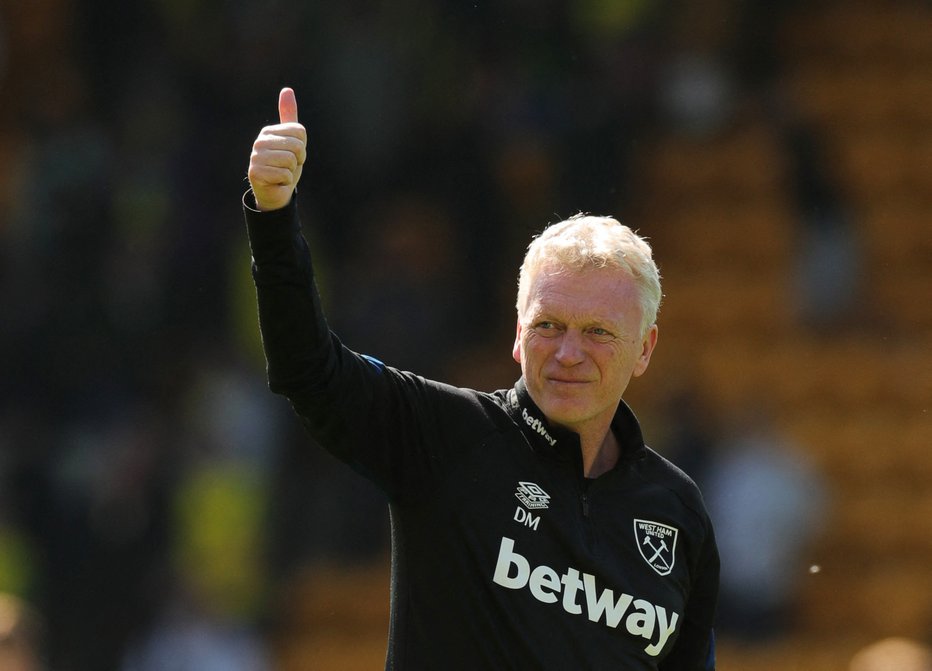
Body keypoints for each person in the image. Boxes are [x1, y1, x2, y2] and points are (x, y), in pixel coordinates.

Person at [243, 87, 719, 669]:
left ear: (644, 349)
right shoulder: (446, 436)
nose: (569, 353)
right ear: (517, 335)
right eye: (549, 325)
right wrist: (273, 215)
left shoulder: (677, 509)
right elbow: (309, 370)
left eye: (598, 332)